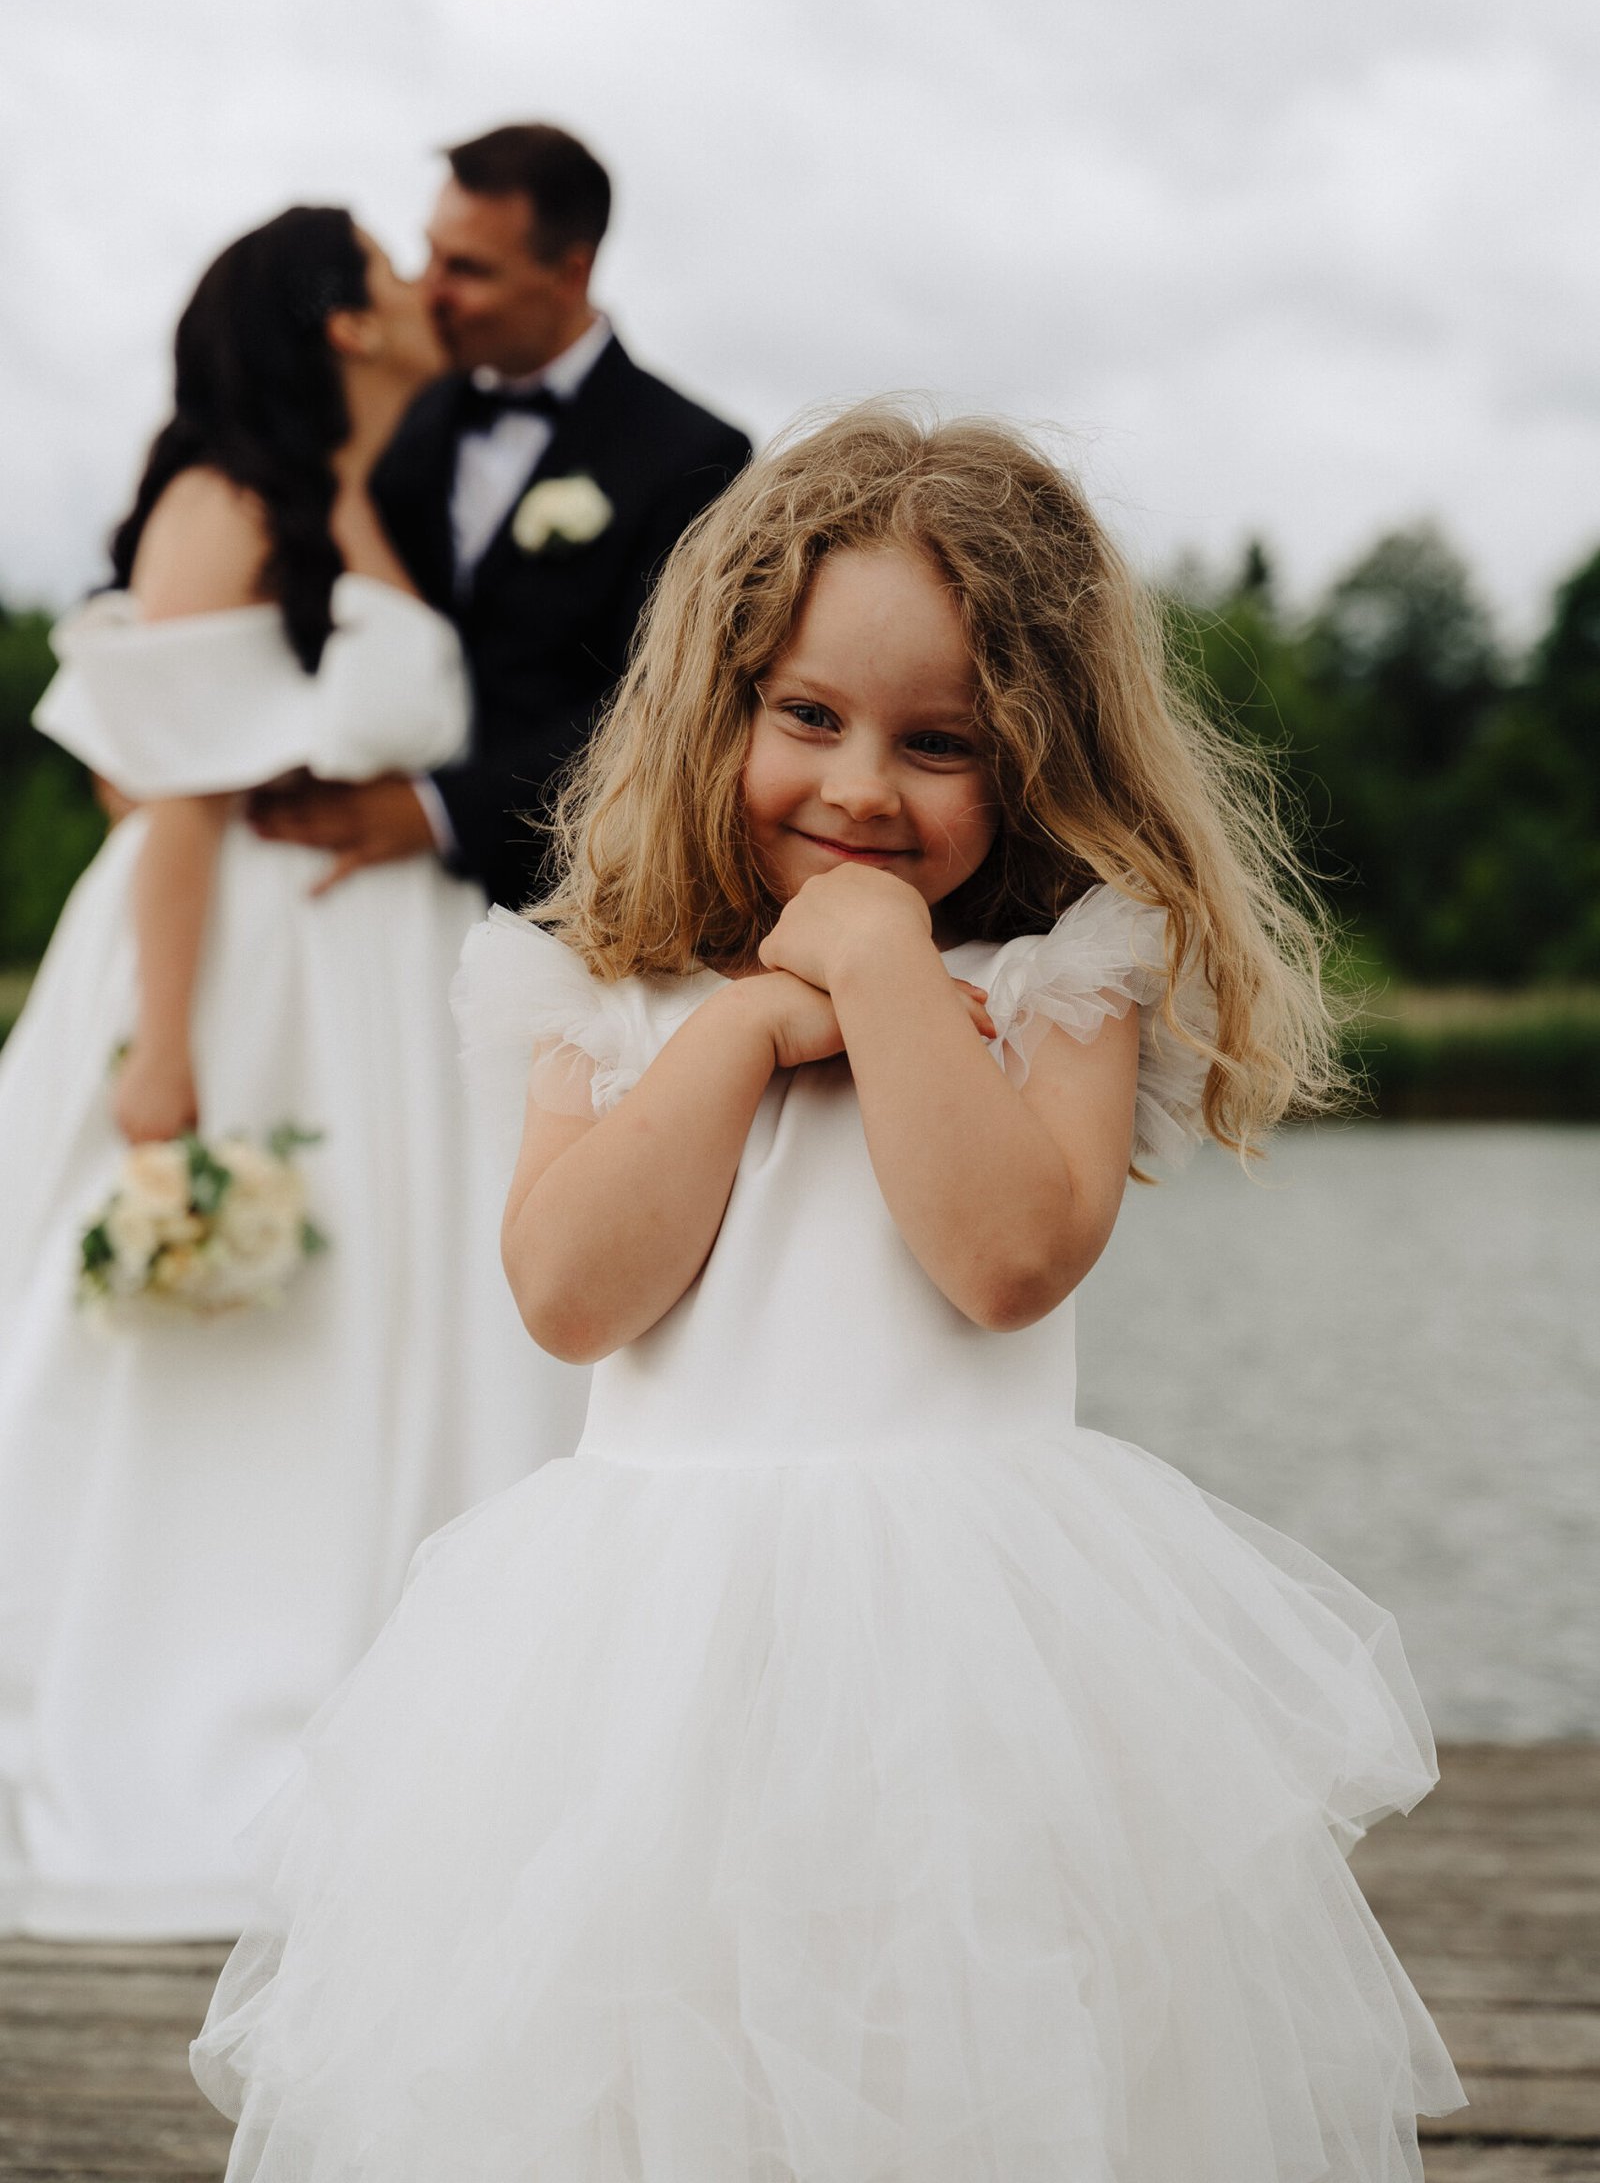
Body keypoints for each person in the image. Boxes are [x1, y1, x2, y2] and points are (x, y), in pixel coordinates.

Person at [193, 407, 1462, 2178]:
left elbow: (1006, 1258)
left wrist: (874, 966)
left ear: (1037, 757)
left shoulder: (1056, 982)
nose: (862, 789)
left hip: (965, 1663)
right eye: (808, 717)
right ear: (717, 711)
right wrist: (739, 1036)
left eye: (939, 743)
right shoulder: (606, 990)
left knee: (959, 2050)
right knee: (644, 2050)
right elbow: (568, 1295)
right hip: (645, 1665)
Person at [0, 207, 583, 1942]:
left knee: (394, 1308)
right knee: (209, 1351)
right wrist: (163, 1050)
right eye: (397, 271)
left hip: (388, 985)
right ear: (337, 320)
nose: (422, 290)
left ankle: (388, 1676)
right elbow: (173, 799)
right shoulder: (225, 497)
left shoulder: (363, 488)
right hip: (240, 973)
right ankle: (180, 1677)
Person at [251, 123, 752, 911]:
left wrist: (438, 812)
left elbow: (659, 703)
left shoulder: (694, 454)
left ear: (570, 273)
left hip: (564, 897)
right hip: (359, 887)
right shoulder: (397, 422)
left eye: (468, 269)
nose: (430, 292)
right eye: (430, 255)